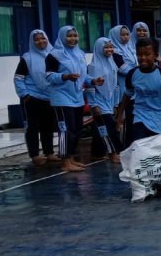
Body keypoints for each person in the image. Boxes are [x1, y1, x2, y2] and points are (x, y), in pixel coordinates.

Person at [46, 25, 101, 172]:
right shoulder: (54, 55)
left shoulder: (80, 54)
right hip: (62, 98)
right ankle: (64, 161)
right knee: (66, 130)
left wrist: (92, 81)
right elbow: (49, 76)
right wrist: (65, 76)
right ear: (62, 37)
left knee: (76, 130)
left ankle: (70, 158)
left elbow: (82, 75)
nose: (73, 39)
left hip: (77, 97)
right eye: (69, 36)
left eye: (75, 36)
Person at [116, 38, 161, 143]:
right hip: (141, 116)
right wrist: (119, 116)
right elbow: (127, 95)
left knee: (158, 153)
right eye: (139, 55)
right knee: (139, 147)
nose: (143, 58)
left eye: (147, 54)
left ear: (155, 55)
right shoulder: (132, 74)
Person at [14, 29, 56, 165]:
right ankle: (34, 155)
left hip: (50, 97)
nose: (40, 41)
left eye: (43, 38)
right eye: (36, 39)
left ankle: (49, 152)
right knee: (32, 128)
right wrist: (25, 95)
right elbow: (18, 78)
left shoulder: (54, 55)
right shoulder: (27, 58)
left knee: (47, 127)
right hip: (32, 98)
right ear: (32, 42)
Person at [86, 37, 122, 163]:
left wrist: (116, 103)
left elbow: (116, 85)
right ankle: (113, 152)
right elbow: (90, 86)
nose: (109, 50)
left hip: (110, 100)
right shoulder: (93, 66)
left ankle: (97, 153)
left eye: (111, 47)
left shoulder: (112, 64)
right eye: (106, 47)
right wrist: (93, 104)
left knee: (99, 128)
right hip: (99, 101)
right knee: (109, 127)